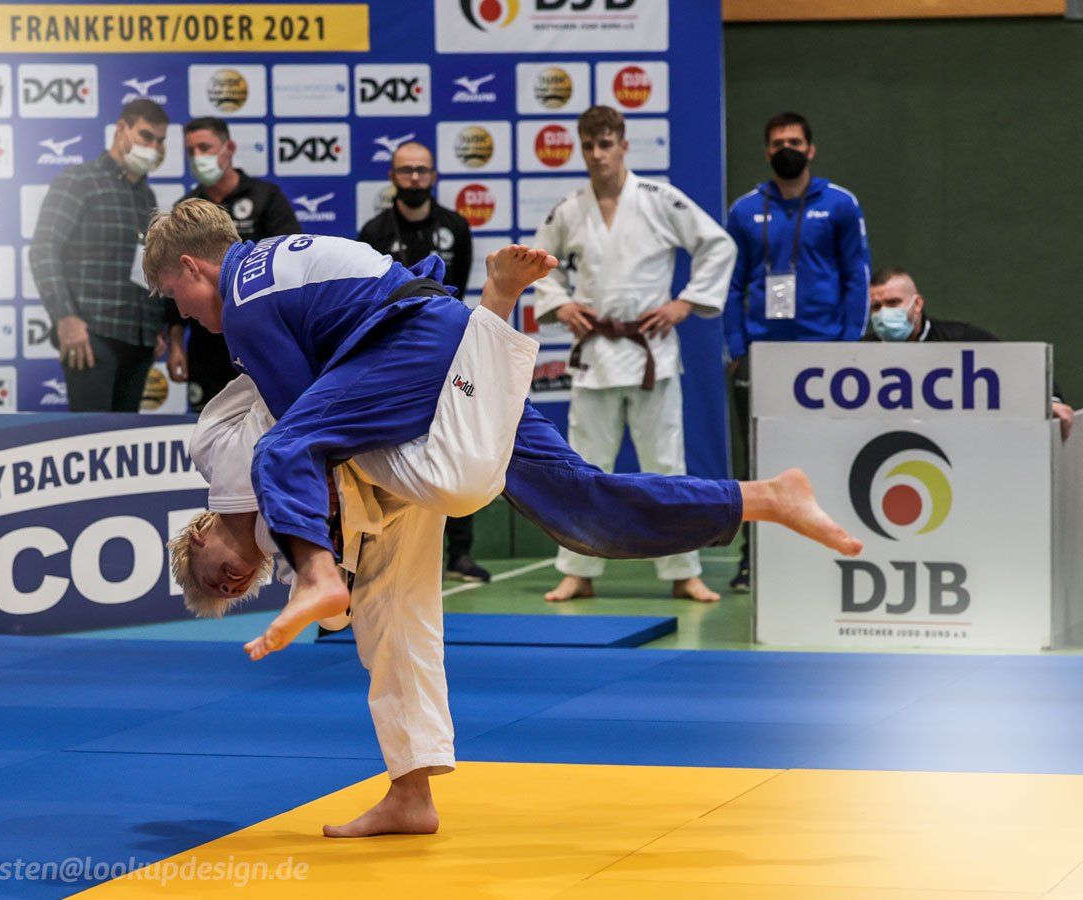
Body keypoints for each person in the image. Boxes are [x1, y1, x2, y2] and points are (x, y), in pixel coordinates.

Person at [171, 325, 863, 841]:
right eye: (234, 592)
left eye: (213, 576)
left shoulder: (218, 448)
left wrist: (313, 580)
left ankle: (764, 494)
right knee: (393, 623)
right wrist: (319, 585)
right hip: (395, 454)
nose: (235, 580)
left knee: (576, 501)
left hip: (418, 392)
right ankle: (412, 794)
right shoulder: (281, 529)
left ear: (197, 533)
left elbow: (284, 407)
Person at [141, 199, 863, 664]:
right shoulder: (272, 265)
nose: (185, 315)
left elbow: (309, 427)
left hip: (414, 346)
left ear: (196, 266)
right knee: (585, 508)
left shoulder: (242, 299)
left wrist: (332, 548)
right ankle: (765, 497)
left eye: (177, 296)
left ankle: (319, 579)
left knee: (285, 446)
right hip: (442, 356)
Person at [531, 105, 737, 605]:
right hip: (596, 354)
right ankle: (578, 570)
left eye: (606, 144)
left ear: (624, 145)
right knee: (582, 466)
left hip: (652, 354)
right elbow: (543, 266)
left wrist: (685, 302)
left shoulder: (658, 199)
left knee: (666, 465)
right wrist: (560, 304)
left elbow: (717, 245)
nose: (598, 154)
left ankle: (683, 572)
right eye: (589, 145)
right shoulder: (568, 210)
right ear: (581, 149)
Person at [723, 111, 872, 592]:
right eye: (777, 142)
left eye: (794, 141)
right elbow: (731, 285)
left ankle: (833, 549)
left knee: (829, 452)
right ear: (767, 152)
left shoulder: (841, 204)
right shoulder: (745, 210)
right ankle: (754, 560)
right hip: (764, 355)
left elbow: (858, 277)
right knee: (756, 461)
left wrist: (849, 344)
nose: (786, 148)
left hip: (825, 351)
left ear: (810, 149)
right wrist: (737, 347)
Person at [357, 140, 487, 584]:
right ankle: (379, 553)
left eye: (422, 170)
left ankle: (461, 554)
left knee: (458, 439)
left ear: (433, 176)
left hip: (448, 346)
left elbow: (461, 286)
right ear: (393, 176)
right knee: (387, 447)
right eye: (406, 170)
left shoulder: (456, 227)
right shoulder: (373, 231)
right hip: (390, 352)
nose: (414, 178)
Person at [30, 99, 169, 412]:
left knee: (122, 447)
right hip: (92, 336)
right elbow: (43, 249)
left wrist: (154, 325)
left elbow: (145, 265)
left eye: (160, 141)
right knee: (90, 442)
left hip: (140, 341)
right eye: (146, 136)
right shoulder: (78, 180)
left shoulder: (146, 195)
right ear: (122, 130)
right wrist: (65, 318)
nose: (154, 147)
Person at [166, 116, 300, 412]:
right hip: (207, 345)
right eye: (191, 151)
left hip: (263, 339)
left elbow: (291, 261)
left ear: (230, 148)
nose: (198, 157)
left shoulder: (267, 198)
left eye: (205, 147)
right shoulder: (185, 208)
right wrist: (175, 342)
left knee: (271, 425)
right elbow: (174, 281)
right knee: (206, 435)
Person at [866, 266, 1073, 438]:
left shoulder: (961, 339)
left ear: (917, 304)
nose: (884, 313)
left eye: (893, 303)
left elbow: (1018, 366)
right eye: (876, 307)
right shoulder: (857, 355)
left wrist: (1049, 403)